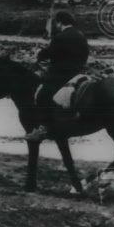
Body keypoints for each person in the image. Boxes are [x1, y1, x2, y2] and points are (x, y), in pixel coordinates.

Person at [25, 10, 89, 142]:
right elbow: (85, 54)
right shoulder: (81, 35)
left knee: (42, 95)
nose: (56, 25)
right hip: (78, 73)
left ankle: (44, 128)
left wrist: (39, 53)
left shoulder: (60, 37)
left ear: (60, 22)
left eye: (56, 22)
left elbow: (50, 53)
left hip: (61, 74)